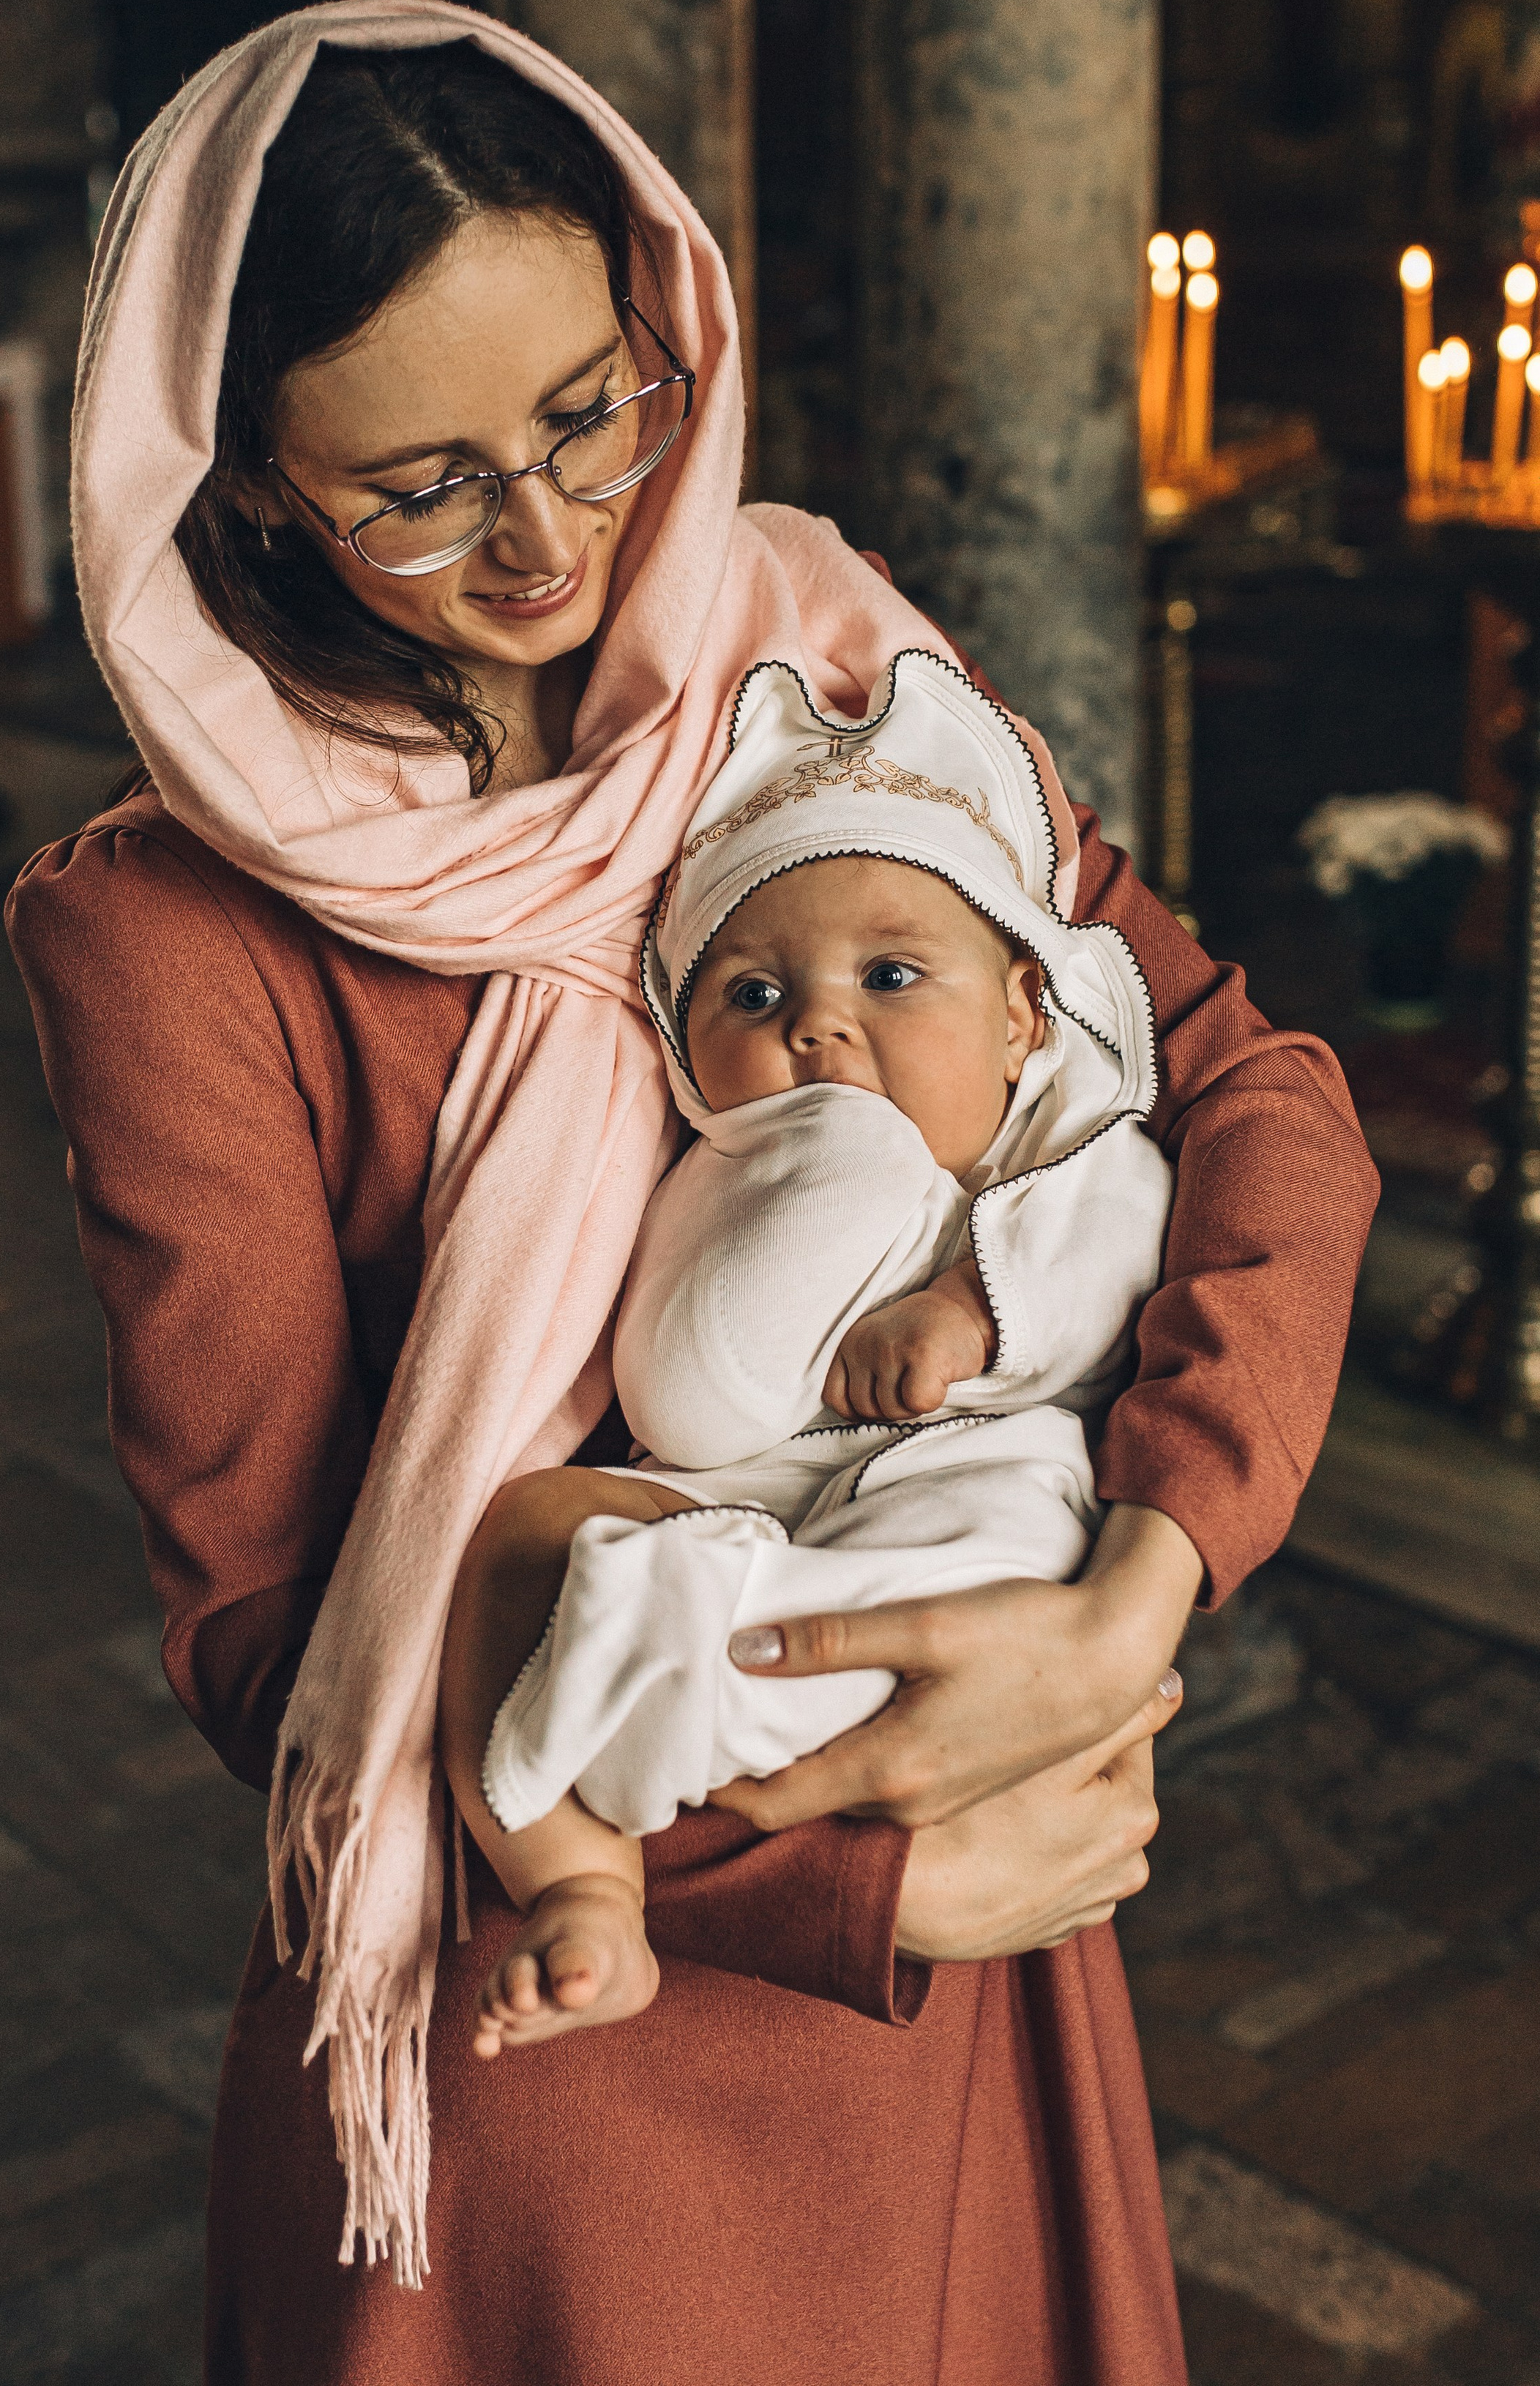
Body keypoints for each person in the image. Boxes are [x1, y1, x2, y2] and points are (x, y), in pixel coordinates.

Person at [6, 0, 1378, 2386]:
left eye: (586, 413)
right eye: (417, 487)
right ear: (237, 492)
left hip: (966, 1914)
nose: (549, 536)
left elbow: (1252, 1090)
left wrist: (1141, 1583)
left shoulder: (829, 673)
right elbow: (269, 1625)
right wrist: (845, 1862)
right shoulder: (167, 926)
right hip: (570, 2001)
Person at [447, 647, 1176, 2057]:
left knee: (998, 1545)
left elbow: (1126, 1249)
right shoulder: (714, 1170)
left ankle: (752, 1689)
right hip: (748, 1490)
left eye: (894, 976)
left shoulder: (1064, 1147)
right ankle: (582, 1882)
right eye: (754, 998)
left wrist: (972, 1304)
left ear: (1025, 1012)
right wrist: (809, 1177)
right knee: (529, 1528)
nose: (821, 1023)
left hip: (975, 1461)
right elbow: (688, 1396)